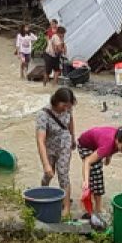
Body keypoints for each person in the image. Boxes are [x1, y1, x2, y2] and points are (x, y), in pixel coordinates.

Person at [36, 88, 77, 218]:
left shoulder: (68, 108)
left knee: (63, 174)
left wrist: (73, 137)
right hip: (50, 147)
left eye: (68, 105)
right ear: (56, 101)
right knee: (48, 175)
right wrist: (46, 164)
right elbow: (40, 140)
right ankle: (43, 194)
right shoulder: (43, 114)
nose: (66, 108)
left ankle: (66, 208)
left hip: (65, 145)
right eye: (64, 105)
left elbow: (70, 121)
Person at [77, 125, 122, 216]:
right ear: (117, 140)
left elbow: (112, 148)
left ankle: (92, 198)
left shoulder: (119, 138)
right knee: (97, 174)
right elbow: (87, 161)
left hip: (97, 144)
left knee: (96, 173)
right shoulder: (107, 145)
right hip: (84, 145)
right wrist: (86, 181)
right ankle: (97, 207)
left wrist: (108, 158)